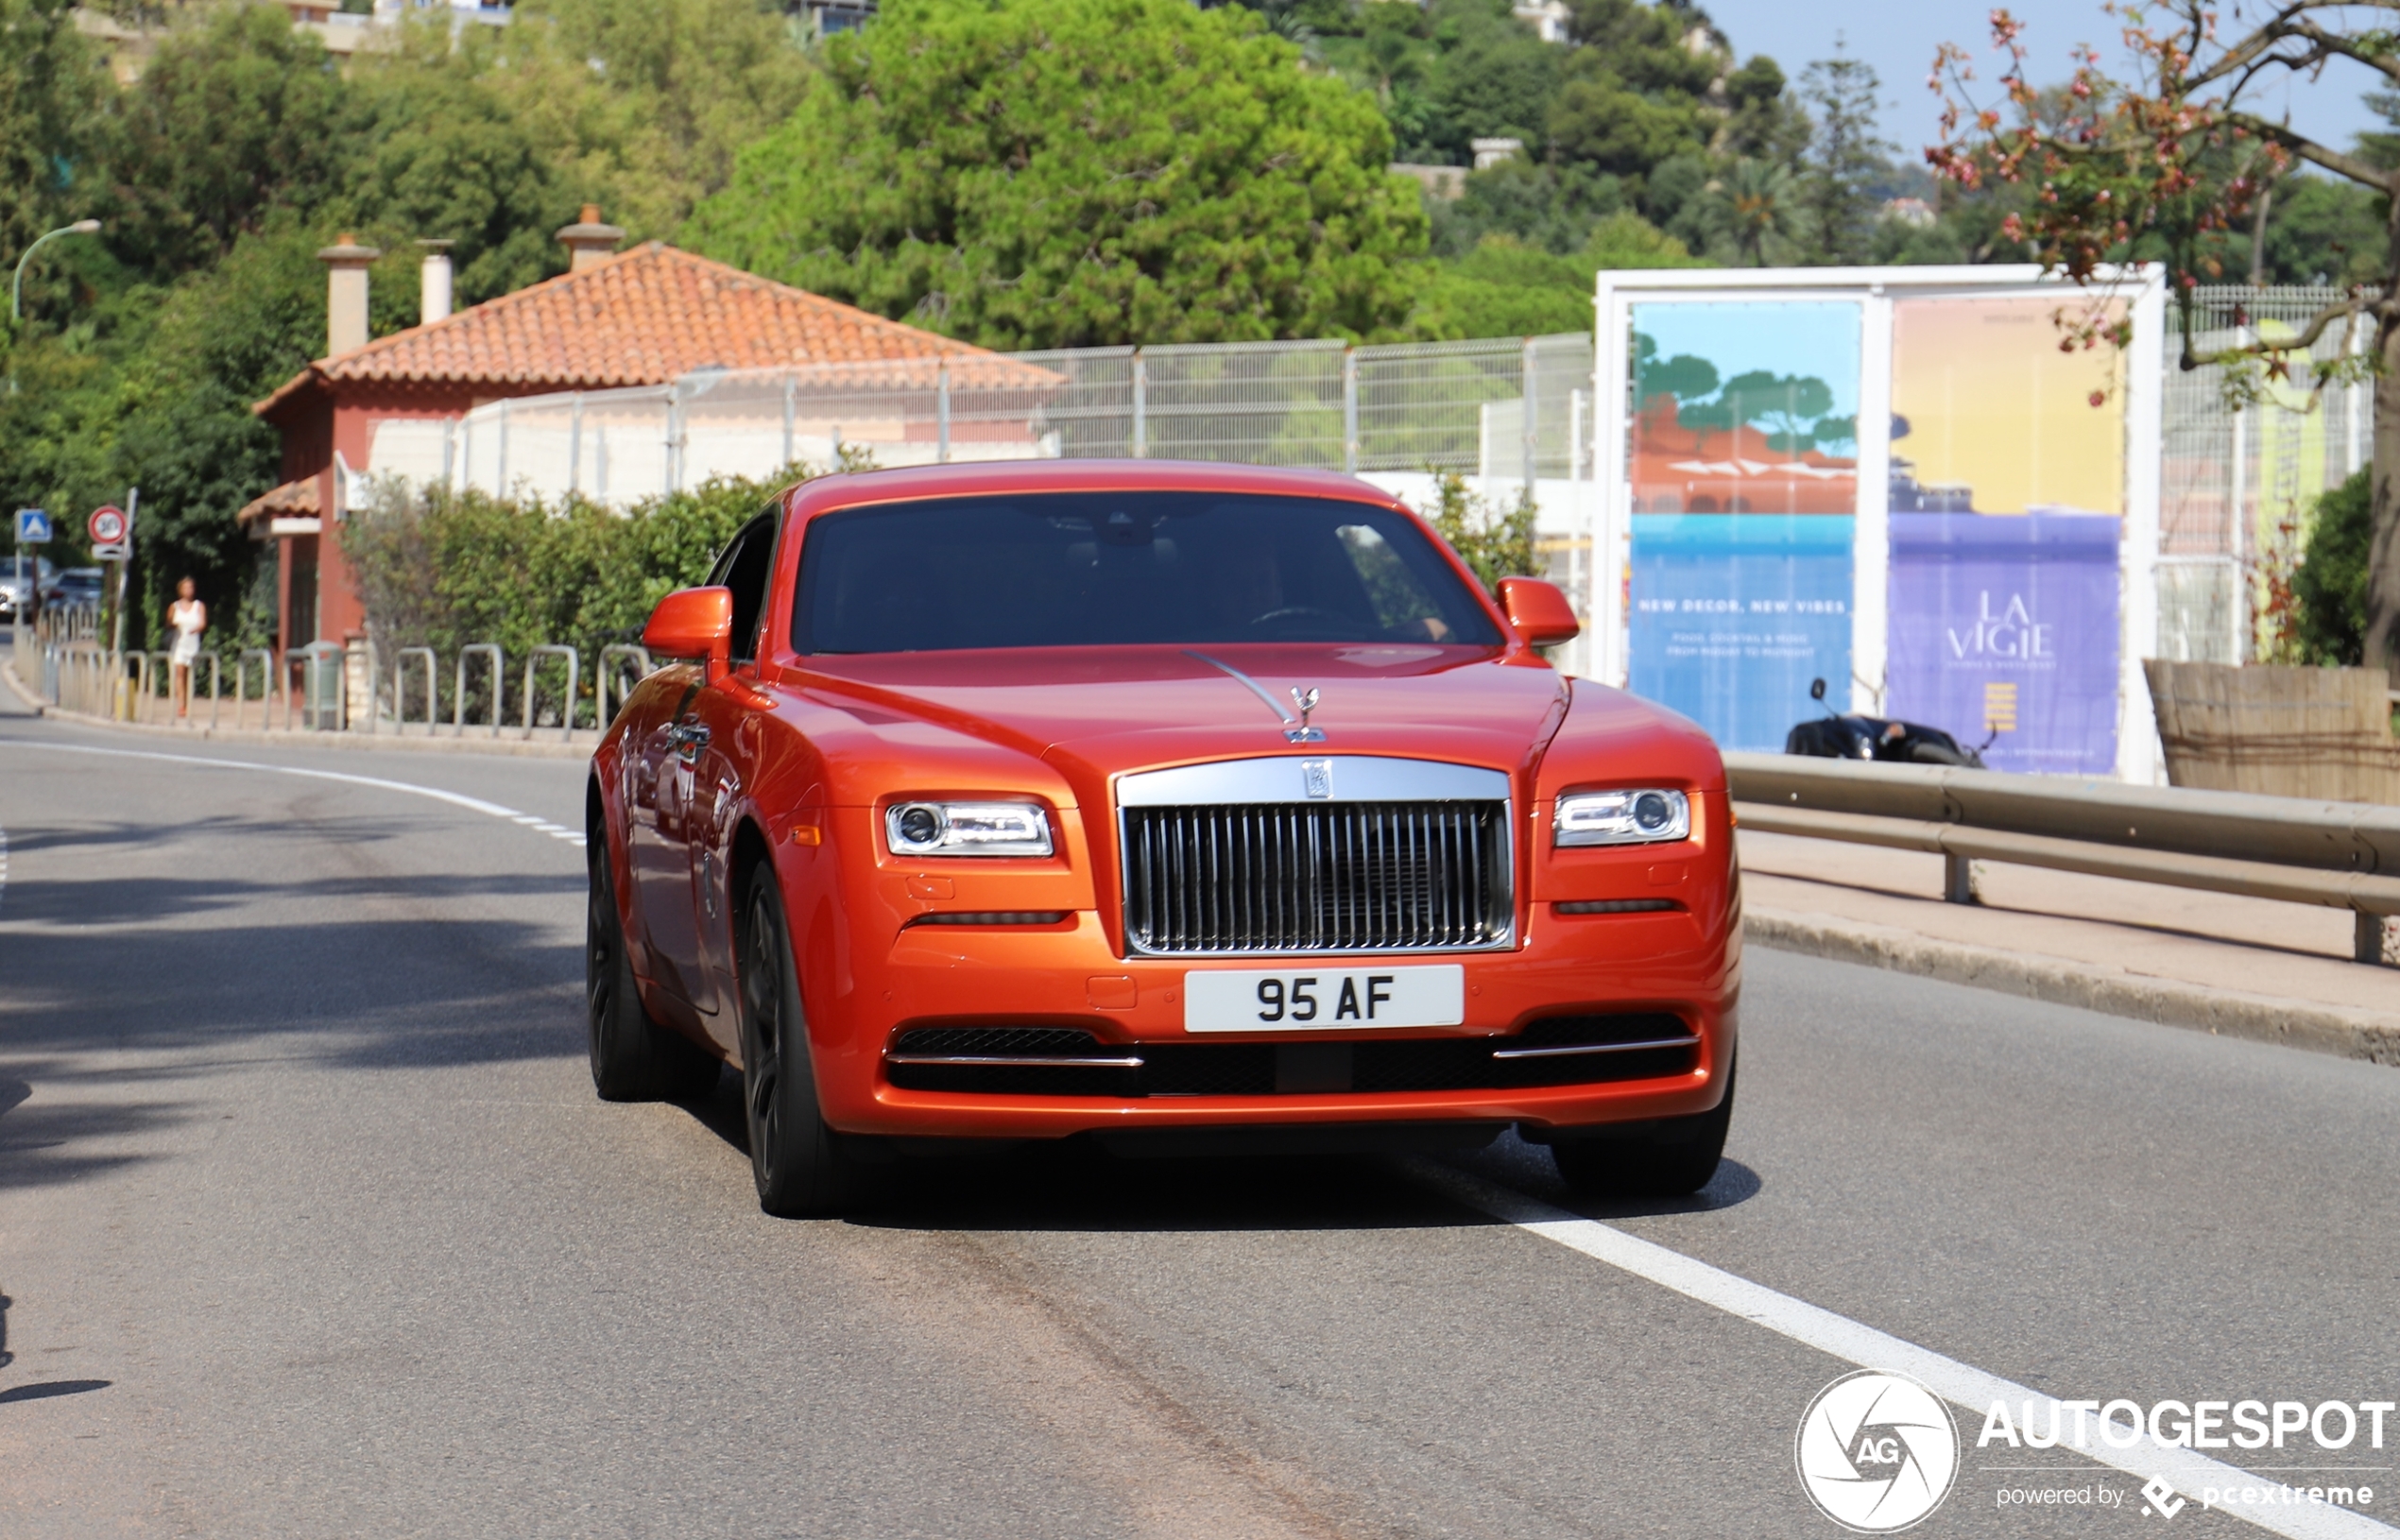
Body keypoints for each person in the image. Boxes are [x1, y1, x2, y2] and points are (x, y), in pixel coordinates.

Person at [167, 577, 206, 720]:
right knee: (180, 673)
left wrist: (195, 629)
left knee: (189, 675)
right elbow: (168, 623)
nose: (189, 590)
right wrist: (173, 623)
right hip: (179, 644)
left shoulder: (198, 605)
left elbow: (202, 623)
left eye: (191, 587)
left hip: (192, 643)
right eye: (186, 587)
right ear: (180, 590)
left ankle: (188, 703)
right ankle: (181, 706)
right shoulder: (174, 606)